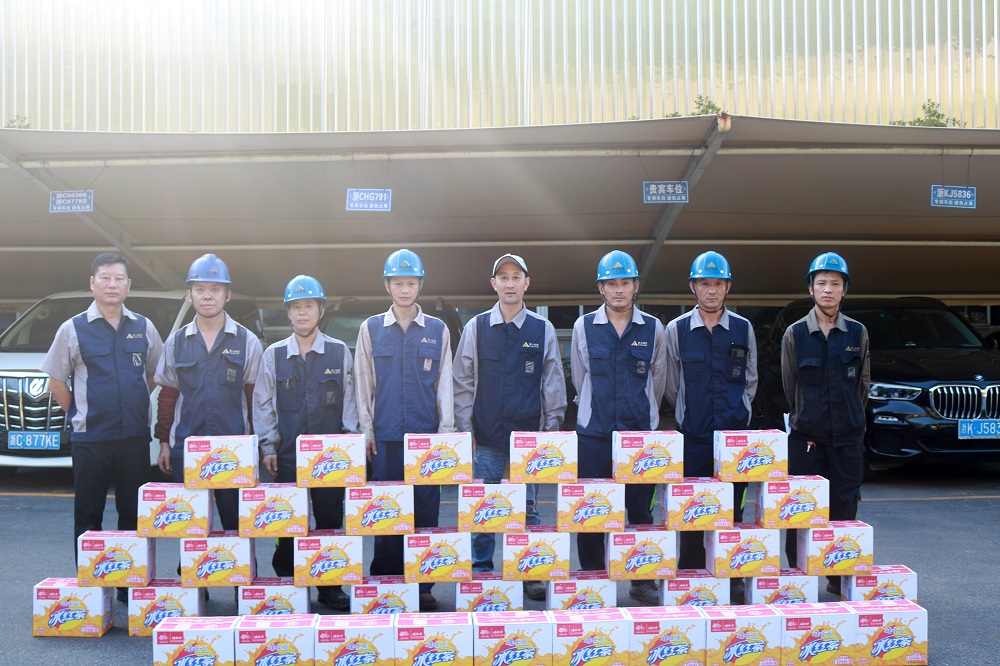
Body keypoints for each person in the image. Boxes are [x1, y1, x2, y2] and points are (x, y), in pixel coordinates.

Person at [41, 252, 164, 601]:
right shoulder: (72, 328)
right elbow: (56, 382)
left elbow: (153, 374)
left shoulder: (143, 326)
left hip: (133, 438)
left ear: (129, 285)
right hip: (91, 438)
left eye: (119, 278)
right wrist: (81, 412)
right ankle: (92, 590)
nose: (113, 285)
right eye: (105, 278)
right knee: (88, 515)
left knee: (133, 515)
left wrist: (132, 404)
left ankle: (128, 588)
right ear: (92, 283)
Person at [453, 253, 567, 602]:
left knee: (528, 508)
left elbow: (552, 381)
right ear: (494, 284)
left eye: (516, 276)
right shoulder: (476, 328)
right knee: (484, 507)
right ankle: (482, 570)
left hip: (528, 436)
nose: (510, 283)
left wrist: (550, 429)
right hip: (486, 434)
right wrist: (465, 430)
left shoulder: (542, 329)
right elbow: (462, 381)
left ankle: (529, 573)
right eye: (503, 277)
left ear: (526, 283)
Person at [355, 249, 455, 612]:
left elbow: (445, 383)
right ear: (387, 286)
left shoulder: (437, 330)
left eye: (411, 283)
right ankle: (386, 581)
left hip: (426, 438)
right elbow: (363, 382)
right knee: (386, 512)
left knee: (426, 513)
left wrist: (446, 433)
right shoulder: (370, 328)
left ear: (420, 285)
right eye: (398, 283)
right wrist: (366, 431)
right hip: (385, 437)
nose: (405, 289)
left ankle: (423, 586)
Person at [254, 275, 358, 611]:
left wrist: (350, 446)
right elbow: (264, 404)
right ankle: (288, 583)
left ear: (321, 310)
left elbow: (350, 402)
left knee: (329, 522)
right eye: (296, 307)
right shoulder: (273, 355)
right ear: (288, 313)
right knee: (288, 523)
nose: (302, 313)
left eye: (308, 306)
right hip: (287, 456)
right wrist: (268, 447)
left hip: (331, 458)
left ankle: (330, 587)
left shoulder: (339, 352)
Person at [570, 249, 666, 605]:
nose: (619, 289)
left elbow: (660, 379)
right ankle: (595, 581)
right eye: (611, 283)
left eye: (625, 282)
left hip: (639, 436)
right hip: (594, 435)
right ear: (601, 288)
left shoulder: (654, 327)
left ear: (636, 286)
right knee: (592, 512)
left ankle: (642, 581)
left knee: (640, 512)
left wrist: (643, 418)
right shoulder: (583, 327)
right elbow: (579, 377)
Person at [664, 251, 757, 600]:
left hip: (735, 440)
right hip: (694, 436)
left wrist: (739, 411)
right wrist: (689, 412)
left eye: (719, 283)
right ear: (693, 287)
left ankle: (732, 577)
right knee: (693, 512)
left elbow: (751, 379)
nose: (712, 290)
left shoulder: (743, 329)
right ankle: (691, 575)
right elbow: (671, 383)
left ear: (728, 287)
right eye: (705, 283)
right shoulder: (677, 330)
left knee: (733, 512)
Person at [781, 251, 870, 596]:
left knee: (845, 505)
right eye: (822, 283)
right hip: (808, 438)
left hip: (848, 437)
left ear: (845, 289)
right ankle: (798, 577)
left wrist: (849, 418)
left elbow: (862, 384)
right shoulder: (795, 333)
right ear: (811, 288)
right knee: (801, 509)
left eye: (835, 283)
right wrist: (808, 418)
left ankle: (838, 576)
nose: (828, 289)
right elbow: (789, 385)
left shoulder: (858, 333)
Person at [154, 254, 263, 532]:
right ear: (189, 295)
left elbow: (255, 399)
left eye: (215, 289)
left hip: (234, 451)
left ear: (227, 294)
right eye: (200, 289)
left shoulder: (247, 341)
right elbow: (168, 395)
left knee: (236, 530)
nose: (207, 296)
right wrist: (164, 442)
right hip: (187, 447)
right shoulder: (176, 342)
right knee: (188, 527)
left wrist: (257, 448)